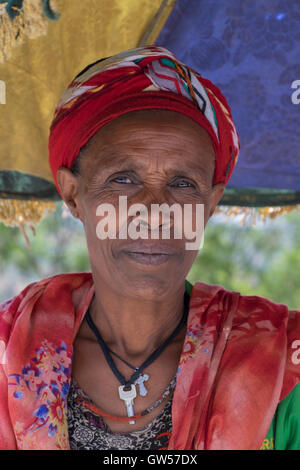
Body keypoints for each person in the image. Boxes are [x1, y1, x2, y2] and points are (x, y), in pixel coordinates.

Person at [0, 45, 299, 451]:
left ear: (210, 205)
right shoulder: (8, 357)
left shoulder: (282, 364)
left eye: (182, 184)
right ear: (72, 194)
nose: (154, 212)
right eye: (123, 179)